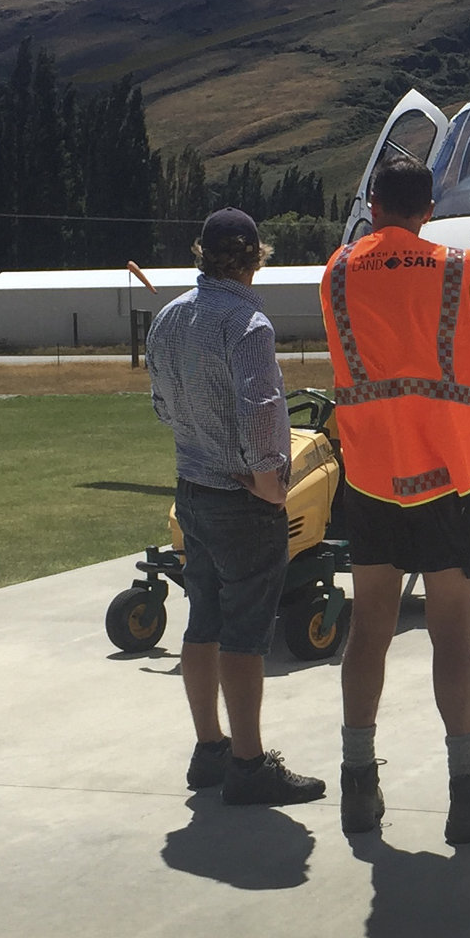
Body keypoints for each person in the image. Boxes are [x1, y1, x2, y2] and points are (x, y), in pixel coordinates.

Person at [320, 154, 470, 845]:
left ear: (375, 204)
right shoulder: (457, 270)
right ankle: (469, 790)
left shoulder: (337, 271)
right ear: (428, 209)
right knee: (453, 632)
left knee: (370, 630)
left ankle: (359, 785)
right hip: (446, 475)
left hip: (369, 476)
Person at [147, 208, 326, 805]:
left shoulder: (169, 318)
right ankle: (249, 763)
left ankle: (210, 749)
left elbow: (163, 405)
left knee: (203, 622)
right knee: (246, 634)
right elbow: (262, 408)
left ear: (201, 253)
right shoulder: (248, 323)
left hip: (191, 488)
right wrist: (270, 480)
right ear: (256, 258)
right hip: (240, 496)